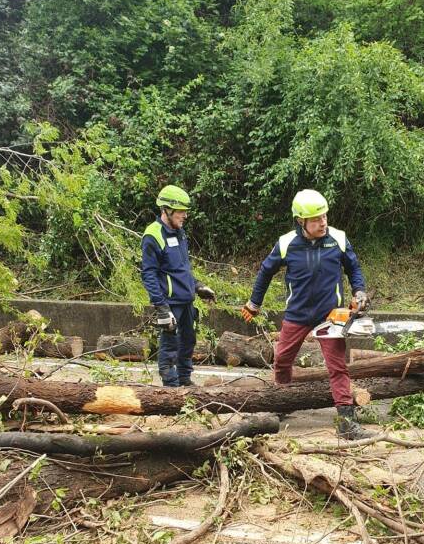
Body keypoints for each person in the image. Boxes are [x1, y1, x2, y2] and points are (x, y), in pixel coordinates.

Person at [241, 189, 369, 439]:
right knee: (282, 360)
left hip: (332, 314)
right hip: (298, 312)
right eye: (316, 219)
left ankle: (346, 421)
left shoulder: (339, 239)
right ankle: (281, 403)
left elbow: (353, 268)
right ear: (301, 221)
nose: (323, 222)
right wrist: (254, 303)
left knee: (337, 366)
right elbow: (265, 272)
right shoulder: (287, 243)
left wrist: (360, 291)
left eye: (324, 216)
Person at [141, 184, 215, 387]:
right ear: (167, 209)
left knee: (188, 341)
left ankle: (184, 379)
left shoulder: (179, 232)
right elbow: (148, 274)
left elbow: (182, 268)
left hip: (186, 300)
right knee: (170, 344)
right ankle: (171, 388)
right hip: (170, 303)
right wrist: (161, 308)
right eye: (181, 211)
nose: (184, 216)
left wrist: (198, 287)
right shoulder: (153, 235)